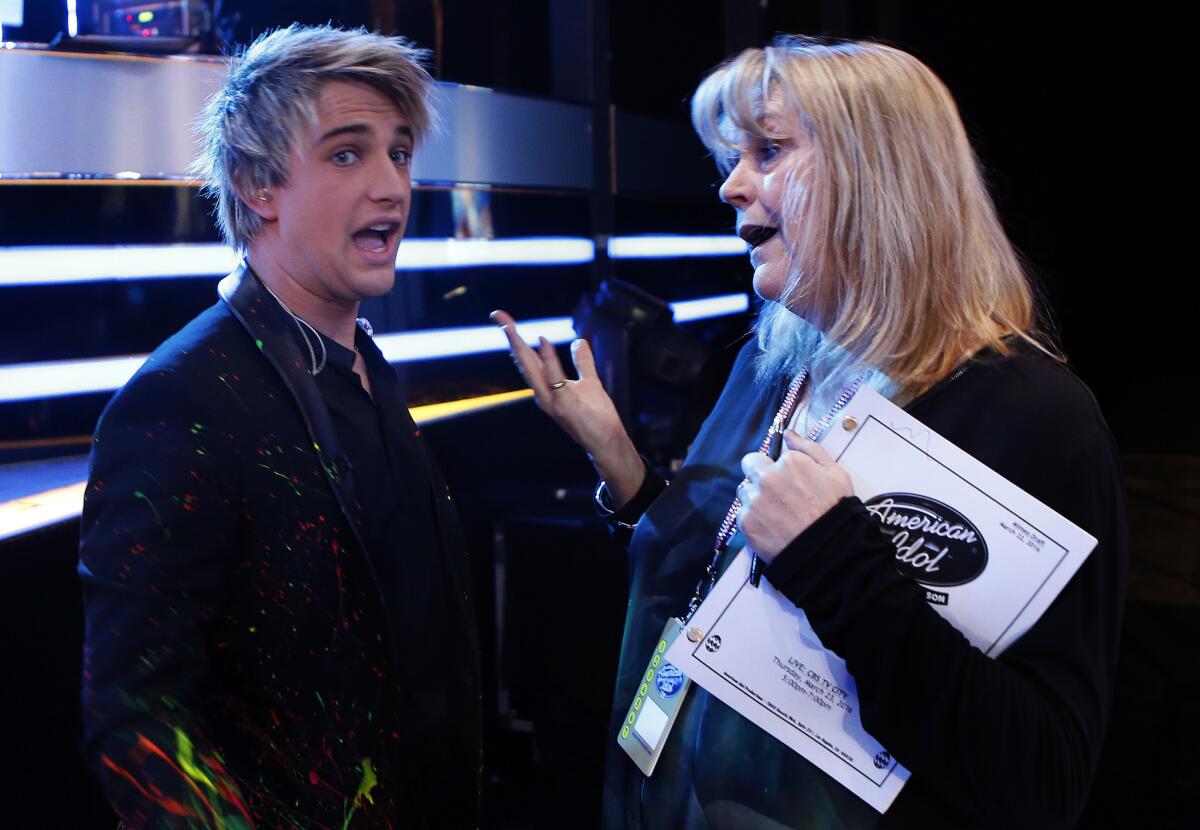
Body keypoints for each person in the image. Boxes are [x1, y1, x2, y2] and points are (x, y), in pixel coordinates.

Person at [492, 36, 1126, 829]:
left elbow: (1040, 780)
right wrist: (620, 463)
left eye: (769, 150)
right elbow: (714, 583)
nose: (731, 185)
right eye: (732, 156)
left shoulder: (1034, 417)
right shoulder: (776, 365)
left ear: (880, 174)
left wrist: (830, 555)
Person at [79, 25, 481, 829]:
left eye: (399, 153)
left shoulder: (367, 366)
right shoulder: (181, 398)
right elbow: (140, 716)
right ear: (258, 184)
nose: (392, 186)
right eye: (347, 154)